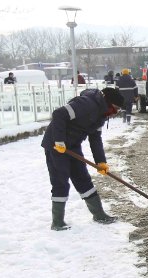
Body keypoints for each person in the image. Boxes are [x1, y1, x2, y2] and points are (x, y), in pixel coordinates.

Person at [41, 87, 125, 231]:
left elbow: (95, 139)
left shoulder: (101, 114)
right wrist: (59, 140)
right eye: (115, 108)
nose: (115, 113)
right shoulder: (86, 104)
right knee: (60, 181)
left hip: (72, 146)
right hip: (56, 146)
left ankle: (99, 214)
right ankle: (57, 222)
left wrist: (101, 162)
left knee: (83, 178)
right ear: (109, 103)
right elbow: (59, 114)